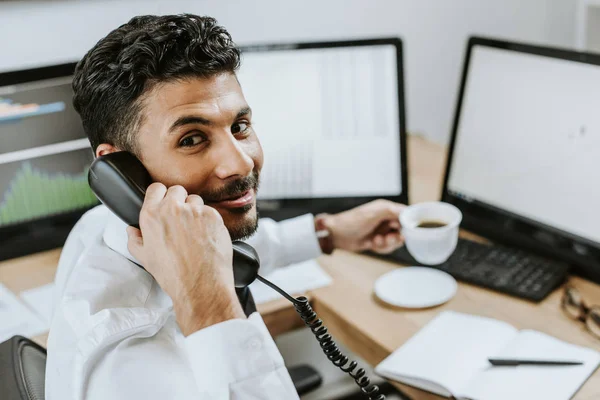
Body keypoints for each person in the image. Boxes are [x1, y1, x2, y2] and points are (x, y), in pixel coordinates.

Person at [45, 14, 405, 399]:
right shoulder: (131, 367)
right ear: (121, 170)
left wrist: (328, 232)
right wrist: (206, 303)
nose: (241, 163)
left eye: (239, 127)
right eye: (192, 139)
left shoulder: (101, 224)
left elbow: (216, 245)